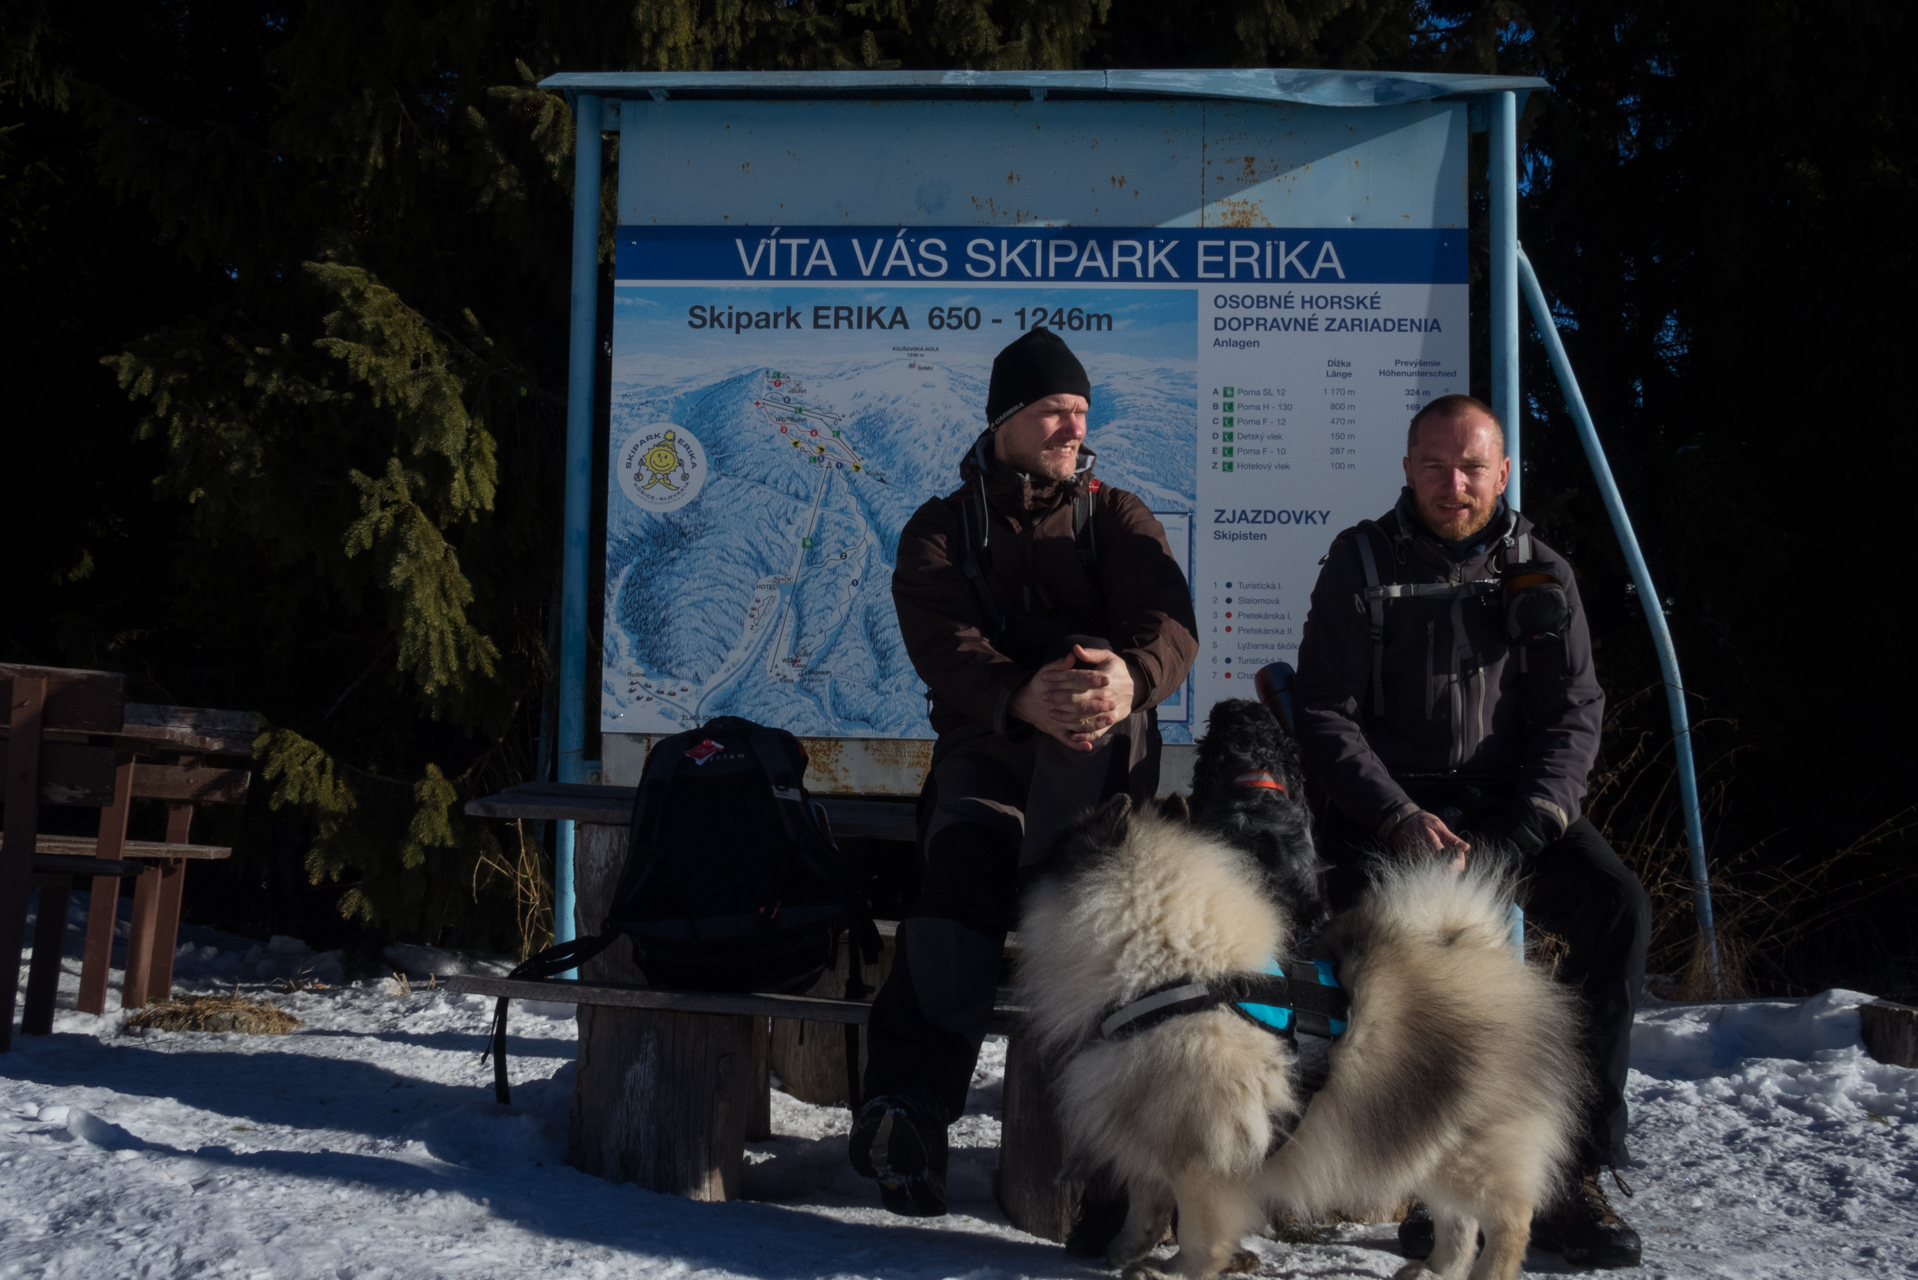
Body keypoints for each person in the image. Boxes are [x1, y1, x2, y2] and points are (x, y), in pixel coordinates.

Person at [1292, 393, 1652, 1270]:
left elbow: (1576, 711)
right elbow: (1326, 714)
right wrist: (1397, 816)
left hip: (1509, 813)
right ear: (1407, 469)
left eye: (1471, 467)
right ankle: (1422, 1175)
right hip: (1393, 814)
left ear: (1502, 472)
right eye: (1434, 465)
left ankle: (1573, 1171)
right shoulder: (1360, 562)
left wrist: (1535, 818)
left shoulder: (1543, 570)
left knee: (1618, 908)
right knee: (1379, 963)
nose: (1453, 484)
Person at [848, 327, 1198, 1217]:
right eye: (1052, 410)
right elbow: (943, 646)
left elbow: (1168, 621)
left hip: (1099, 755)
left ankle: (1112, 1156)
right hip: (988, 751)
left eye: (1080, 411)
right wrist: (1016, 696)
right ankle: (910, 1114)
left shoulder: (1116, 516)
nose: (1072, 426)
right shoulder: (940, 529)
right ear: (1004, 420)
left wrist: (1129, 677)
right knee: (962, 873)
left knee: (1087, 902)